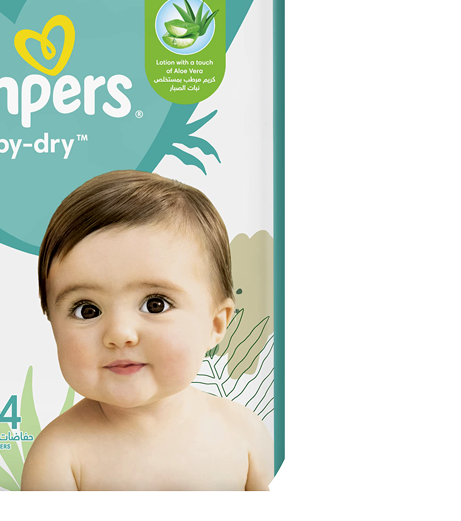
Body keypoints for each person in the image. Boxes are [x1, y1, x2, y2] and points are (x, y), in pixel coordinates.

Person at [22, 170, 273, 491]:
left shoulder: (244, 434)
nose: (119, 333)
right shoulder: (60, 457)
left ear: (215, 324)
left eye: (155, 304)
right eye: (87, 310)